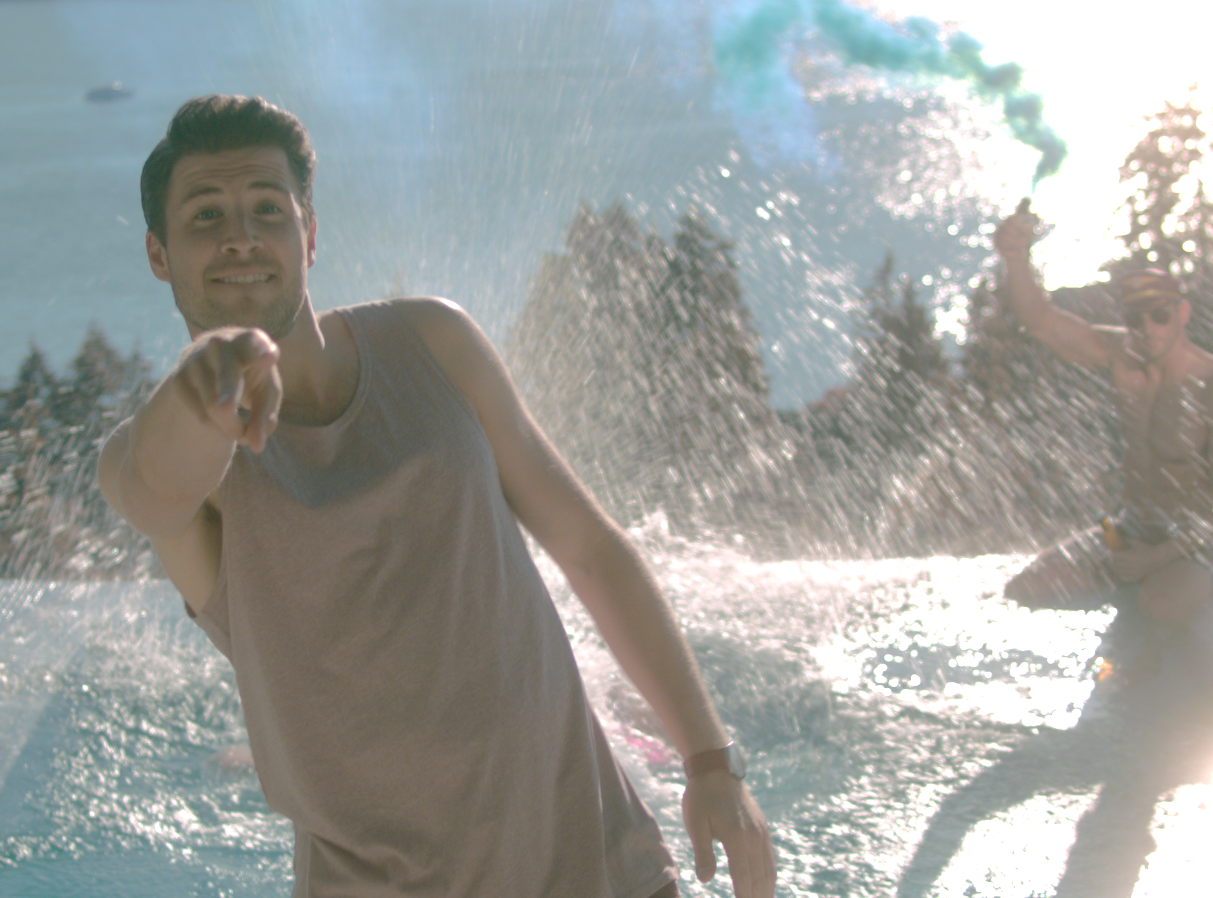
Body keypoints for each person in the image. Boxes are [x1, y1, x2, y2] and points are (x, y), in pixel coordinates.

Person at [97, 96, 774, 897]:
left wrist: (709, 760)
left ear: (309, 234)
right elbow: (154, 486)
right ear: (159, 253)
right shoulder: (178, 462)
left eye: (267, 210)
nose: (240, 236)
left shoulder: (432, 341)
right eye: (206, 215)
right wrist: (207, 376)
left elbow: (589, 547)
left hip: (603, 863)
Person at [991, 199, 1213, 649]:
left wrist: (1159, 557)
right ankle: (1132, 597)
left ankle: (1190, 601)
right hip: (1132, 529)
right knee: (1026, 589)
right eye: (1136, 319)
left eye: (1160, 315)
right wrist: (1016, 258)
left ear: (1182, 313)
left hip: (1192, 542)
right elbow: (1042, 322)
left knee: (1161, 605)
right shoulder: (1122, 358)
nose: (1148, 328)